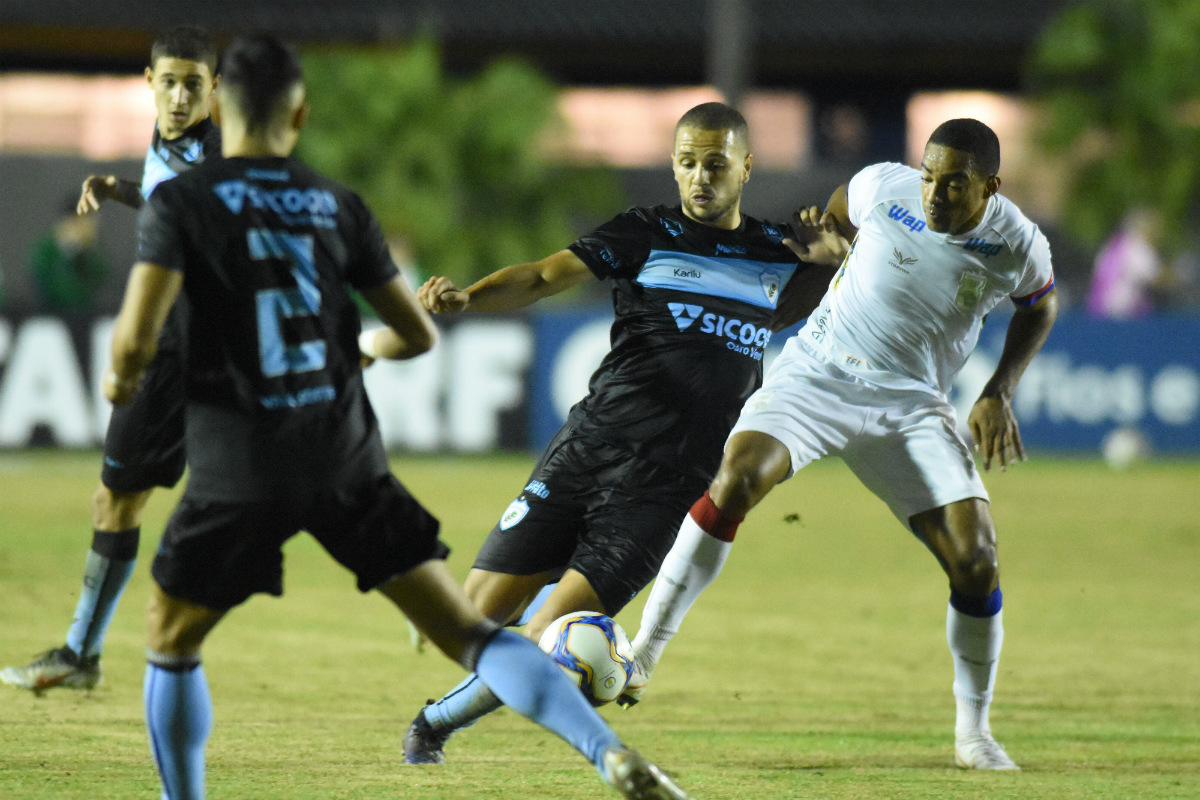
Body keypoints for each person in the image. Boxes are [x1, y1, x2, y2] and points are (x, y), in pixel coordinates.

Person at [103, 33, 693, 800]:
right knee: (472, 635)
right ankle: (607, 752)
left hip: (237, 467)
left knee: (171, 641)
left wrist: (126, 383)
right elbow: (414, 333)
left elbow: (133, 346)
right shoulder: (334, 205)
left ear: (219, 104)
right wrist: (362, 351)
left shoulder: (179, 202)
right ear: (300, 114)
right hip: (344, 456)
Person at [401, 101, 843, 765]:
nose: (700, 177)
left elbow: (831, 289)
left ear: (747, 167)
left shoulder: (781, 255)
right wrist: (468, 298)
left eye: (716, 165)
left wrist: (835, 258)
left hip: (667, 487)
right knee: (471, 619)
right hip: (590, 448)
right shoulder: (644, 232)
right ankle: (551, 609)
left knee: (549, 637)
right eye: (688, 163)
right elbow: (545, 276)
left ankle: (433, 724)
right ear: (673, 164)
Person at [624, 118, 1058, 771]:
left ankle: (974, 733)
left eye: (955, 185)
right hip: (819, 374)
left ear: (991, 187)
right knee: (737, 478)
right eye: (931, 176)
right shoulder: (886, 186)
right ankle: (640, 655)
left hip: (912, 405)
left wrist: (998, 390)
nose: (934, 194)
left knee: (977, 560)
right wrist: (829, 239)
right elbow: (835, 215)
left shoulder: (1018, 243)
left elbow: (1040, 306)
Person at [2, 26, 221, 692]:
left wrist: (130, 359)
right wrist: (119, 187)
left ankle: (84, 654)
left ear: (215, 89)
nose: (180, 95)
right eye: (169, 81)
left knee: (119, 501)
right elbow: (168, 193)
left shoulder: (213, 162)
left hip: (178, 353)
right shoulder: (177, 145)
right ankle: (83, 654)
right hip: (200, 352)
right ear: (149, 83)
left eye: (194, 83)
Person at [29, 197, 110, 310]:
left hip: (88, 314)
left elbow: (101, 278)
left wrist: (83, 255)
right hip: (53, 314)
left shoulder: (93, 252)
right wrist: (68, 254)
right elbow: (44, 282)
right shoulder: (48, 250)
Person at [1086, 207, 1167, 318]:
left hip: (1098, 305)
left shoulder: (1115, 245)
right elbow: (1156, 277)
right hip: (1122, 309)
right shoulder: (1137, 248)